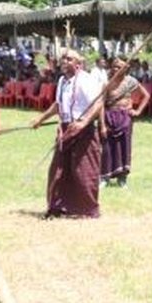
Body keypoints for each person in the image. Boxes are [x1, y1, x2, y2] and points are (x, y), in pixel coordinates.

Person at [31, 48, 103, 217]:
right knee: (58, 169)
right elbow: (58, 105)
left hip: (83, 130)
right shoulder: (63, 81)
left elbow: (98, 102)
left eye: (69, 59)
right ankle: (58, 207)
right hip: (66, 129)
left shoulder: (87, 80)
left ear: (79, 64)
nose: (64, 61)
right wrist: (40, 119)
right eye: (63, 58)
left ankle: (87, 210)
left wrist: (84, 122)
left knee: (83, 170)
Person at [100, 56, 149, 188]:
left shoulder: (131, 82)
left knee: (124, 146)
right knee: (107, 148)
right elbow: (101, 105)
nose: (116, 68)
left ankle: (122, 178)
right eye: (114, 66)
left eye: (119, 66)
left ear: (126, 68)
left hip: (125, 117)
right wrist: (102, 125)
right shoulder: (107, 83)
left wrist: (137, 111)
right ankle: (105, 177)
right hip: (109, 117)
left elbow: (146, 95)